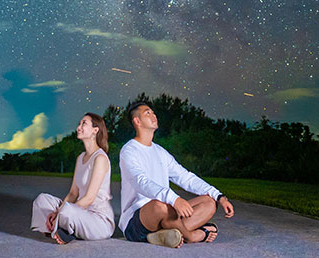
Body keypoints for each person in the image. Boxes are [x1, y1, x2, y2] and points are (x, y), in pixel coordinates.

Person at [119, 101, 234, 248]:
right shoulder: (129, 151)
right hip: (138, 220)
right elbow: (140, 182)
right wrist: (173, 199)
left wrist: (219, 196)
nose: (154, 115)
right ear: (137, 121)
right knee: (161, 206)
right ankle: (192, 235)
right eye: (147, 113)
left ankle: (166, 234)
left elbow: (185, 177)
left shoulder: (160, 152)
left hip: (168, 210)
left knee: (209, 202)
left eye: (153, 112)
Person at [31, 112, 114, 244]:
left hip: (98, 220)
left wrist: (59, 213)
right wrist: (58, 211)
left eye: (84, 124)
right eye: (79, 124)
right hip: (78, 211)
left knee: (67, 210)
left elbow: (89, 198)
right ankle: (62, 229)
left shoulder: (100, 158)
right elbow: (73, 193)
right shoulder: (80, 158)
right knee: (42, 200)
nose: (78, 127)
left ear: (95, 130)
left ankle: (62, 227)